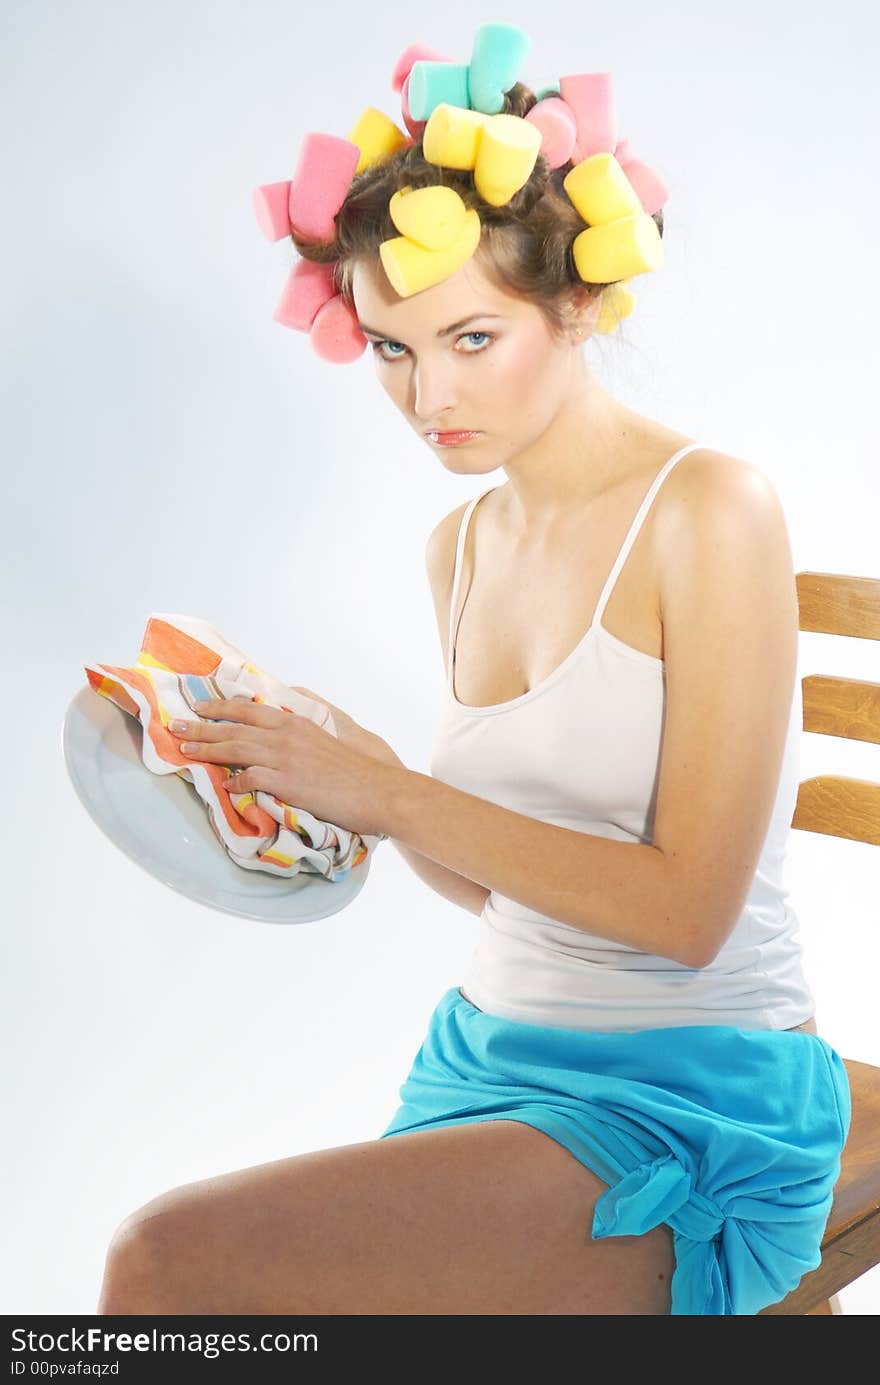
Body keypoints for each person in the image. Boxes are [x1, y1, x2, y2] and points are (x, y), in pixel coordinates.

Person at [96, 36, 850, 1316]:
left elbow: (687, 913)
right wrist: (349, 777)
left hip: (695, 1092)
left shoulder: (709, 509)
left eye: (469, 336)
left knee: (163, 1265)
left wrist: (390, 796)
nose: (425, 394)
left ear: (578, 305)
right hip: (486, 1054)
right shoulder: (460, 545)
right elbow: (502, 883)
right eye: (391, 348)